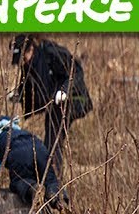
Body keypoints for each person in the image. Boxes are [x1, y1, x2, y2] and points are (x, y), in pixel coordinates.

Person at [9, 35, 83, 172]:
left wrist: (64, 90)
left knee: (53, 142)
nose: (22, 63)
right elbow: (29, 85)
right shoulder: (29, 63)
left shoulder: (52, 53)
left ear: (30, 49)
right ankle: (50, 173)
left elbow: (76, 72)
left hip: (69, 100)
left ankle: (54, 179)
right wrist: (18, 95)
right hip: (53, 105)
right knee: (51, 140)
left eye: (23, 59)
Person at [0, 116, 66, 210]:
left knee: (20, 181)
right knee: (50, 179)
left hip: (18, 151)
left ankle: (32, 188)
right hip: (39, 146)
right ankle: (59, 199)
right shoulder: (20, 132)